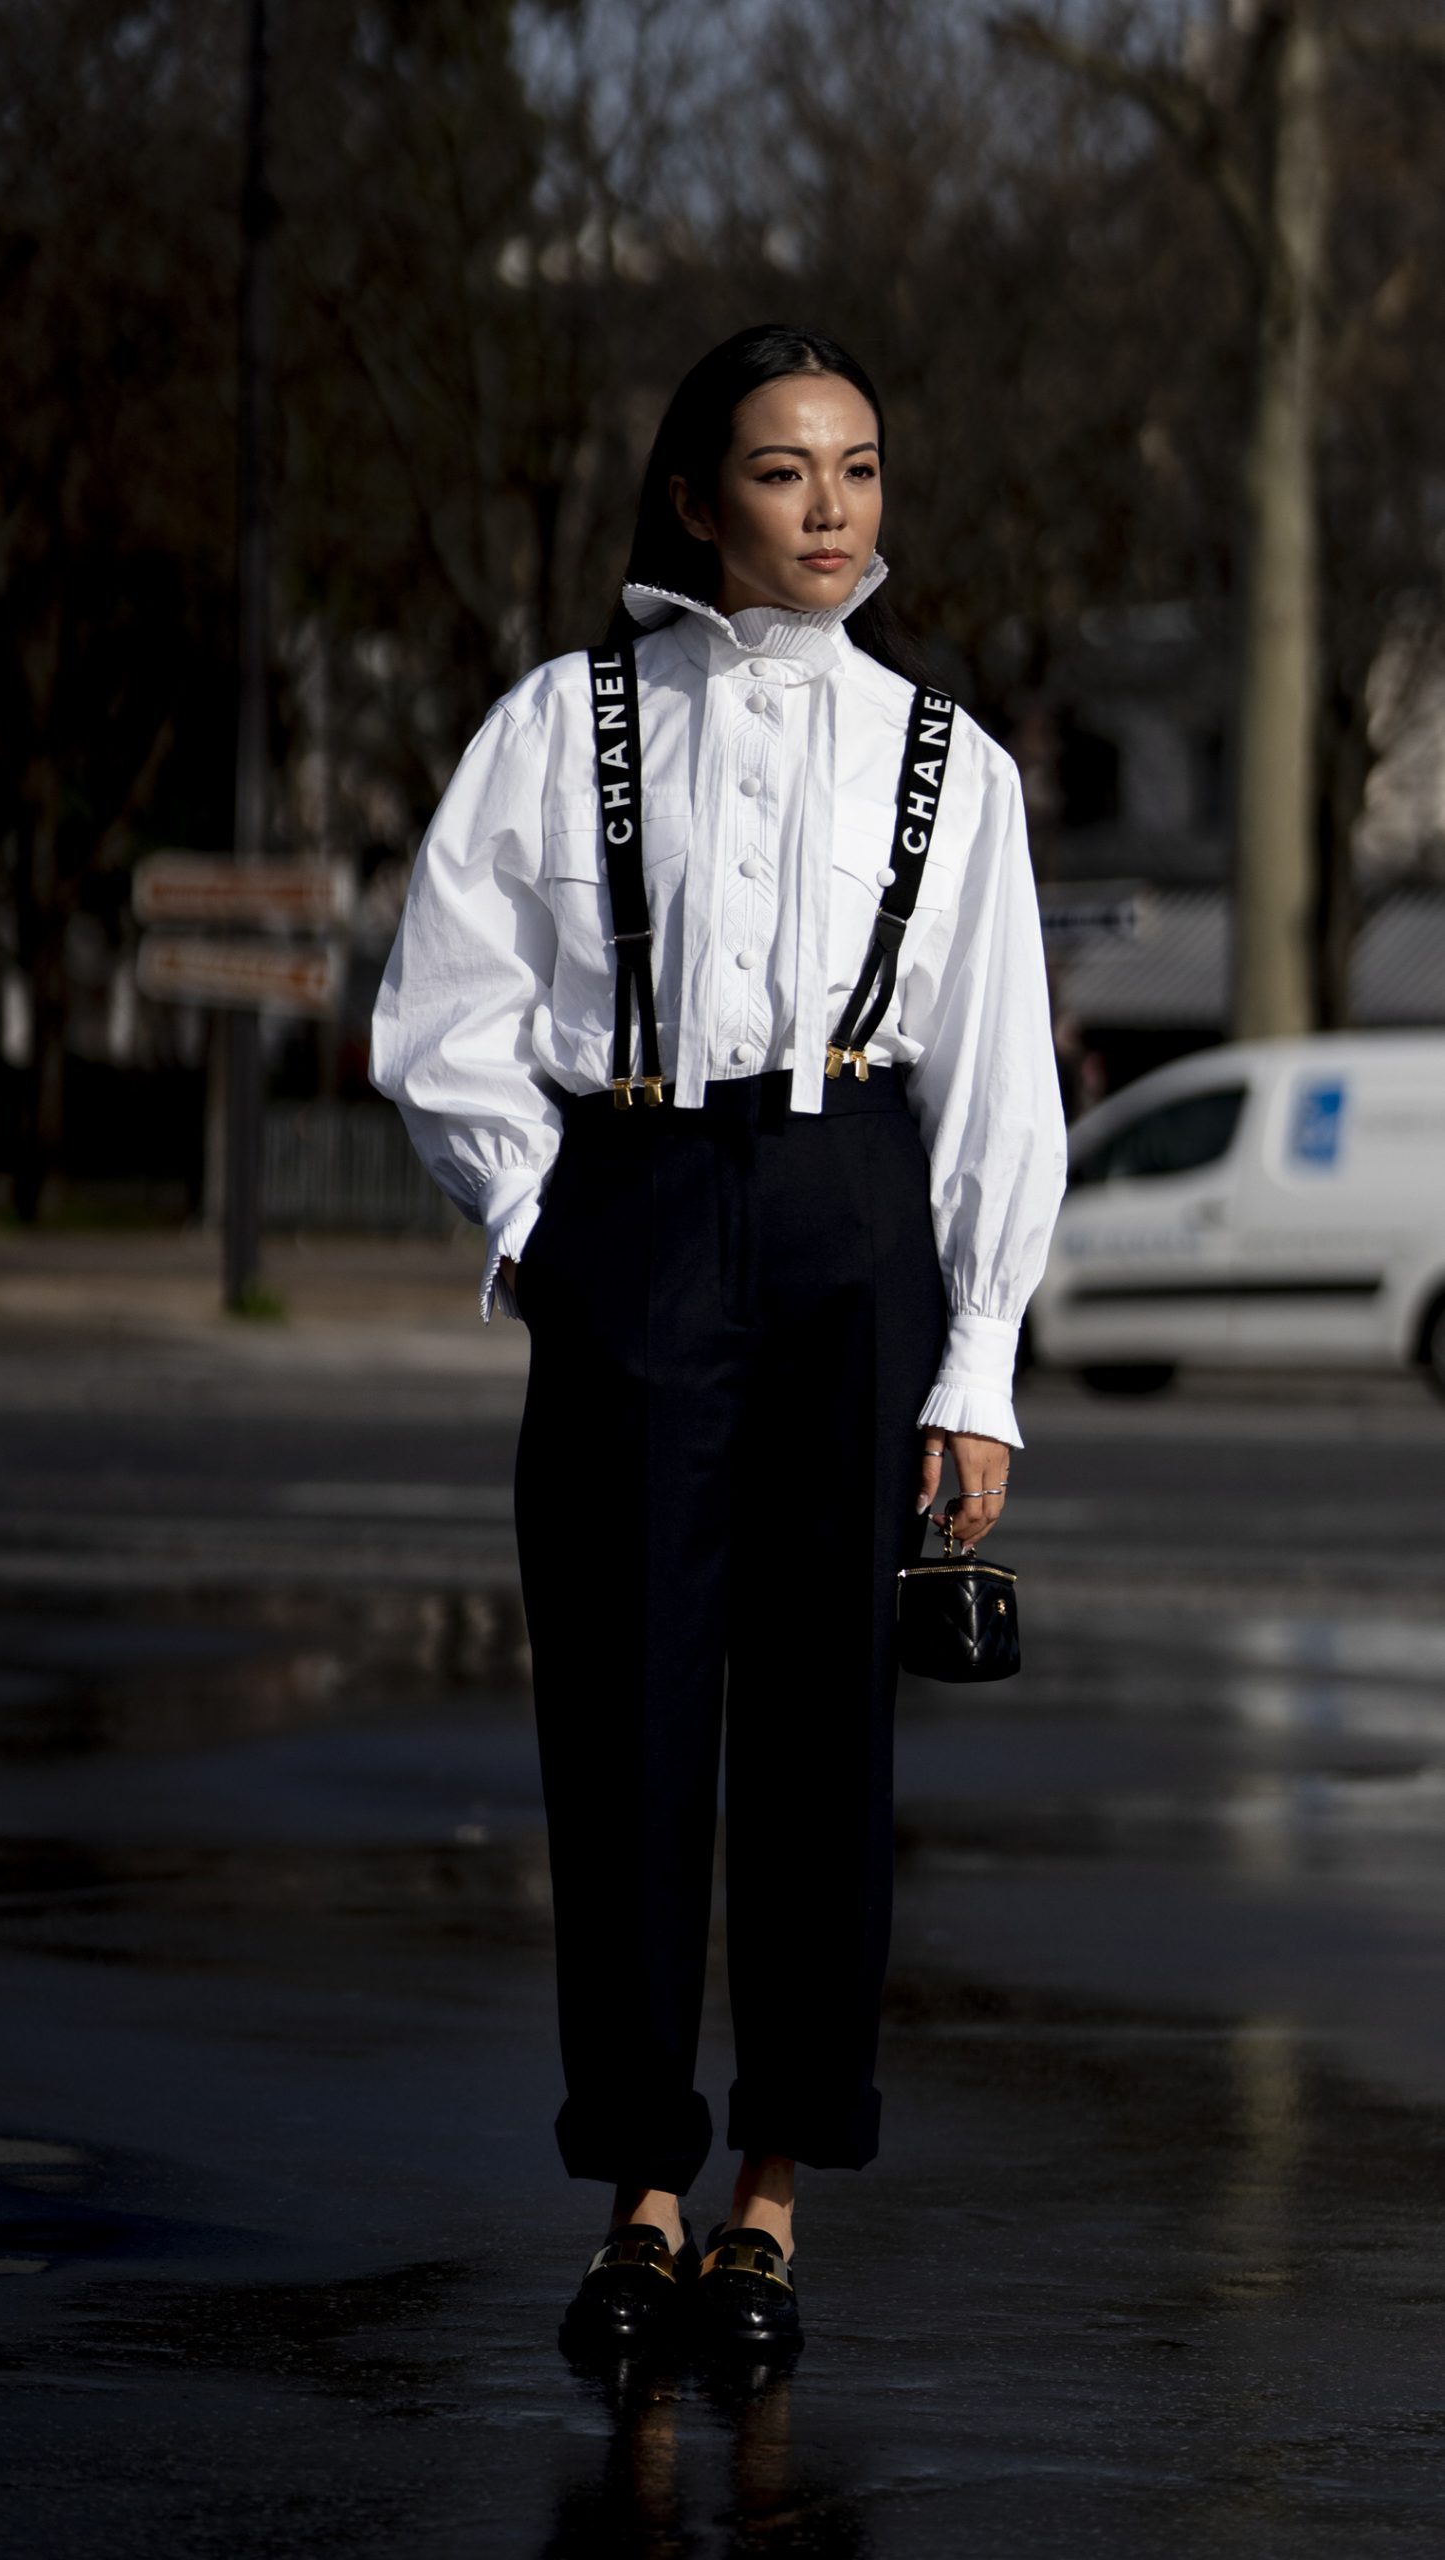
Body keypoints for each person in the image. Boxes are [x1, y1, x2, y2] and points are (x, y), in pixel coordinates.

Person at [370, 325, 1066, 2360]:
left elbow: (999, 1085)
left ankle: (770, 2194)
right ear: (694, 495)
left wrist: (978, 1362)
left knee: (825, 1737)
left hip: (858, 1227)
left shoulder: (955, 760)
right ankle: (639, 2188)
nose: (831, 506)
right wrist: (545, 1224)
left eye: (857, 466)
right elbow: (439, 1010)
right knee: (625, 1716)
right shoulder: (562, 722)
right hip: (638, 1214)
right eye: (783, 470)